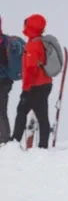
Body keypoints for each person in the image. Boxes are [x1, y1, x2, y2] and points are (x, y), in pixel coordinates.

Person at [12, 14, 53, 149]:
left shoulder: (33, 45)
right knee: (40, 115)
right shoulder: (41, 42)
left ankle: (15, 143)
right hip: (45, 83)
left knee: (24, 111)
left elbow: (31, 69)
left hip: (35, 86)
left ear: (31, 27)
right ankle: (42, 146)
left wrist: (25, 90)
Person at [0, 17, 13, 144]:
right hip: (6, 81)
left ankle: (4, 139)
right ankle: (4, 138)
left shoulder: (2, 43)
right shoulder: (5, 40)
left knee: (1, 110)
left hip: (2, 81)